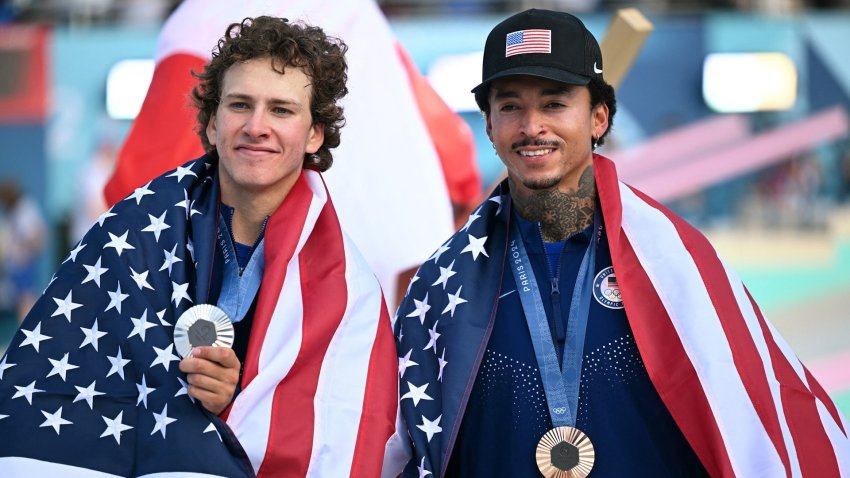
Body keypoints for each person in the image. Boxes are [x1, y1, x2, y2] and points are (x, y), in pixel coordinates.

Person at [387, 9, 850, 478]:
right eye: (510, 106)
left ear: (598, 118)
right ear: (488, 126)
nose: (531, 126)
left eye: (554, 104)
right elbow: (398, 444)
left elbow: (761, 418)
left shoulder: (674, 262)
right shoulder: (442, 285)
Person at [0, 16, 396, 477]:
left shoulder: (349, 292)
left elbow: (335, 430)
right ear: (211, 123)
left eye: (282, 110)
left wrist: (238, 398)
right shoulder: (128, 234)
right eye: (240, 104)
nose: (256, 125)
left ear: (315, 134)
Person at [0, 180, 47, 323]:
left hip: (24, 262)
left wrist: (24, 247)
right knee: (21, 298)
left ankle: (26, 329)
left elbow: (37, 235)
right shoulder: (15, 210)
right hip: (15, 263)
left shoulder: (25, 208)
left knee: (26, 299)